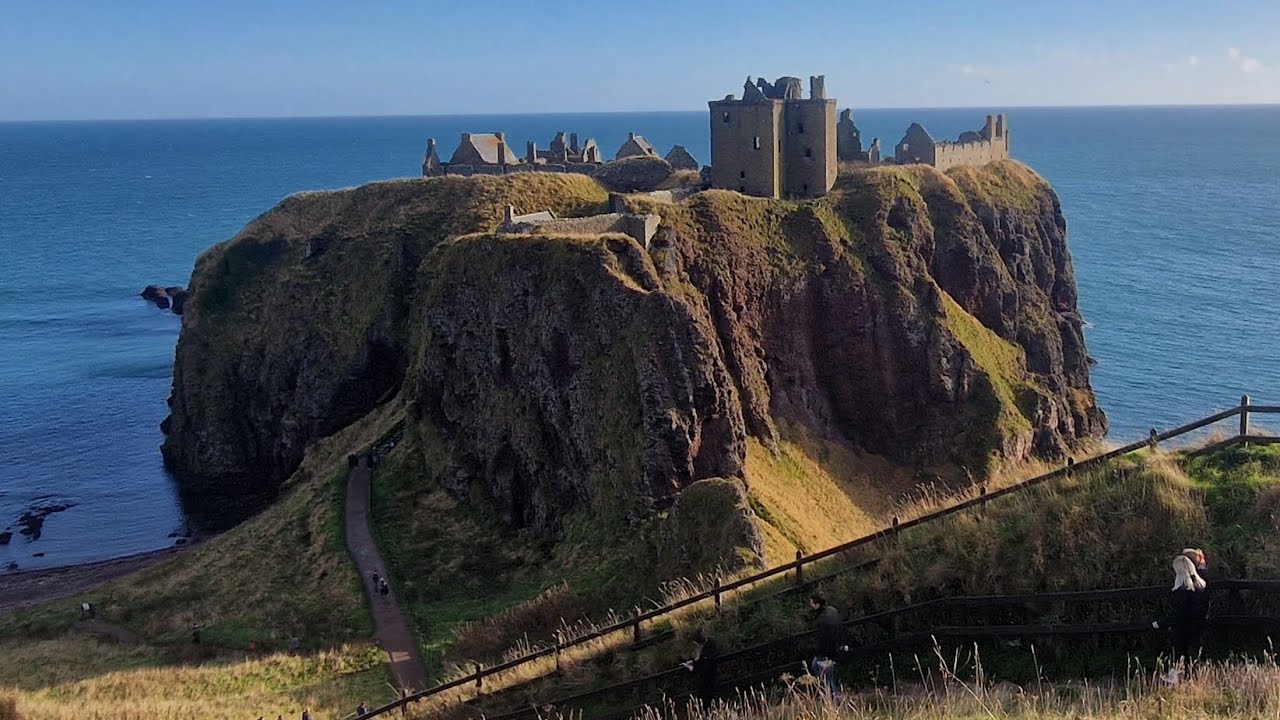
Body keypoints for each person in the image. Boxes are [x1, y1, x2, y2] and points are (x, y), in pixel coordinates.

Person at [1152, 553, 1208, 683]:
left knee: (1180, 652)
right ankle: (1190, 679)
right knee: (1192, 654)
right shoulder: (1200, 587)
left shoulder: (1182, 591)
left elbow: (1178, 613)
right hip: (1198, 625)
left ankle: (1175, 677)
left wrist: (1161, 623)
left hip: (1183, 627)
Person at [808, 594, 847, 697]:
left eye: (812, 603)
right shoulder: (832, 610)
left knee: (828, 679)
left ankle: (834, 700)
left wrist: (819, 652)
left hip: (827, 652)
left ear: (817, 604)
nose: (810, 605)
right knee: (816, 665)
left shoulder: (821, 620)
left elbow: (822, 640)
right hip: (836, 647)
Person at [682, 629, 718, 705]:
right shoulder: (711, 643)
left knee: (704, 698)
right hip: (712, 674)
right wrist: (695, 662)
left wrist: (692, 668)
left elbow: (703, 665)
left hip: (706, 679)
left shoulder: (705, 651)